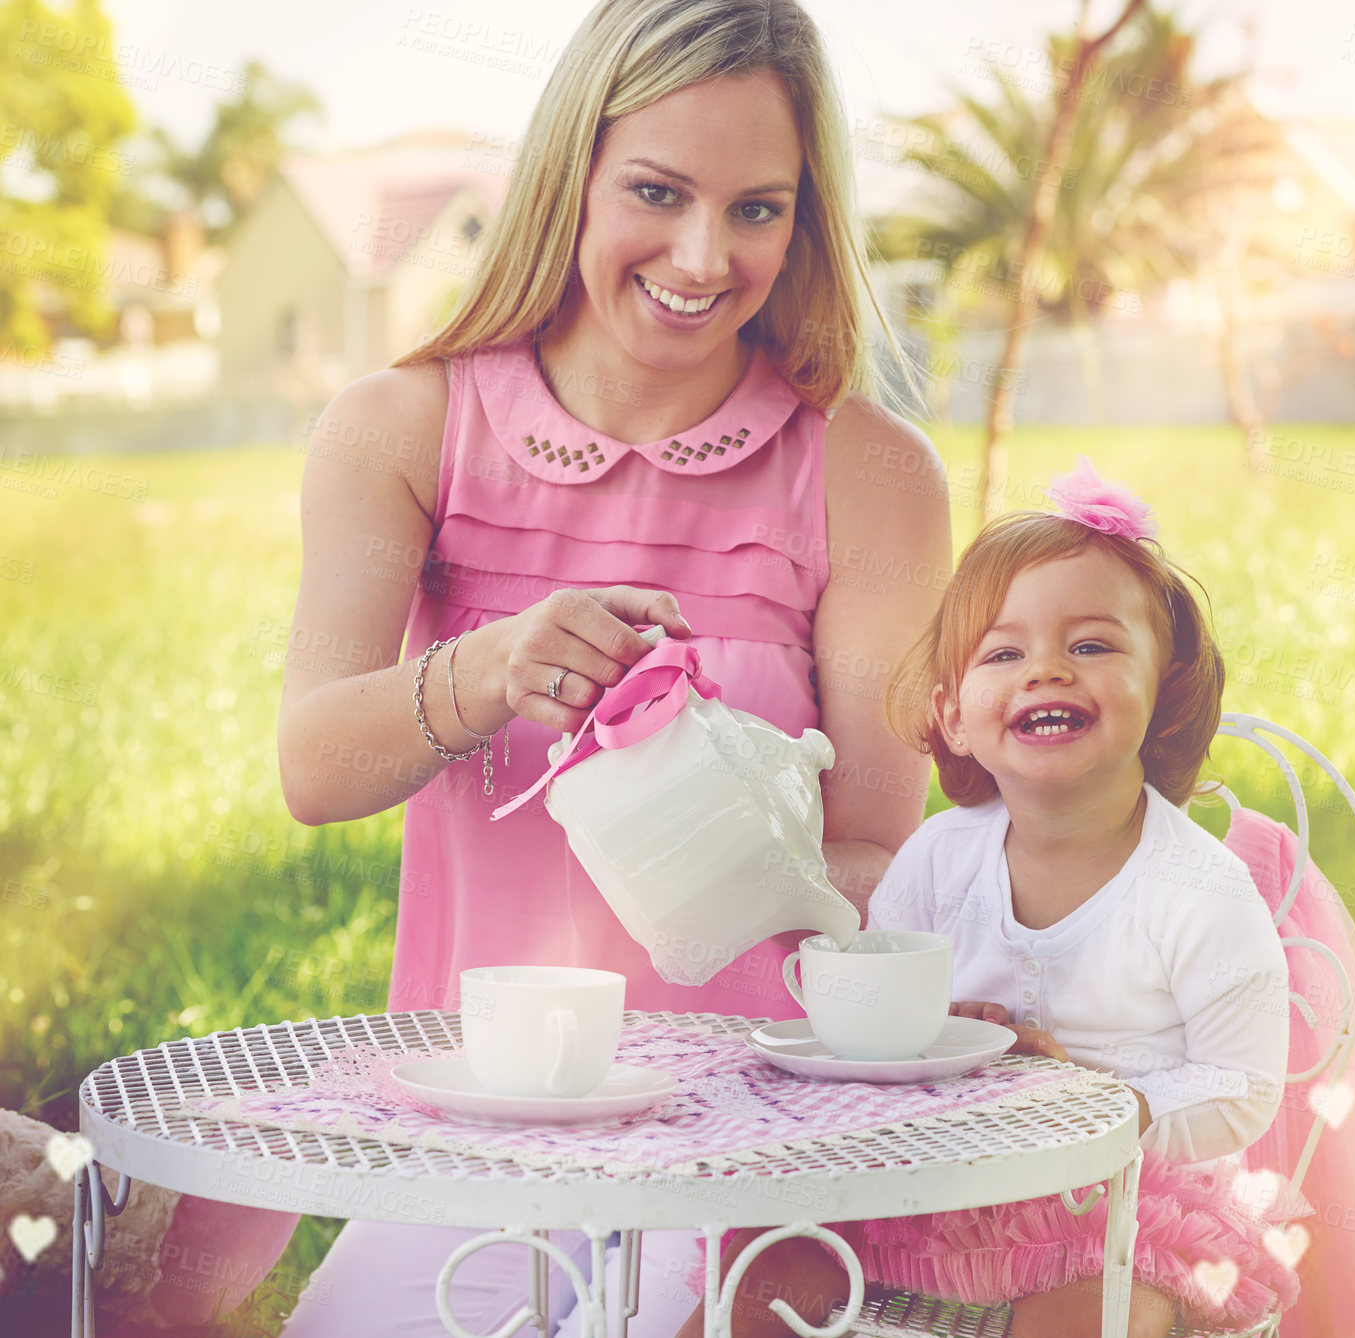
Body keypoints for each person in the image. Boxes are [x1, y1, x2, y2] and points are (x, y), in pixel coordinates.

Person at [273, 0, 951, 1332]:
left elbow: (875, 845)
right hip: (484, 1127)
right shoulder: (402, 428)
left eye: (759, 209)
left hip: (761, 1150)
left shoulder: (869, 472)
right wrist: (487, 672)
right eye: (657, 191)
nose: (705, 256)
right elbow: (312, 767)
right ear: (566, 176)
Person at [682, 459, 1301, 1338]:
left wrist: (1089, 1098)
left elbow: (1240, 1088)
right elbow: (876, 1019)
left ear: (1164, 691)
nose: (1045, 670)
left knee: (1084, 1318)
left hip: (1117, 1202)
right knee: (760, 1268)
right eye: (1004, 653)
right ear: (954, 714)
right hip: (933, 1181)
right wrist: (925, 1028)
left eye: (1090, 645)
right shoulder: (942, 856)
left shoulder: (1196, 888)